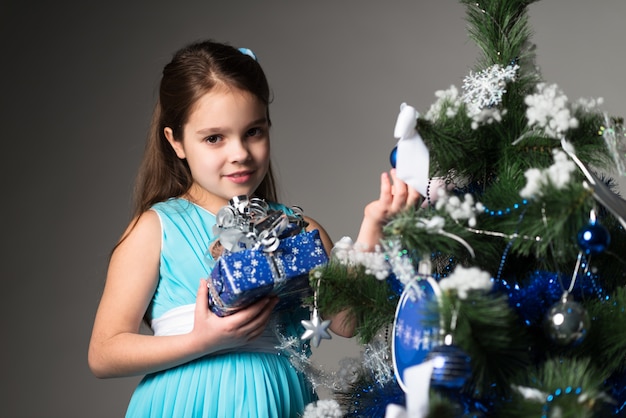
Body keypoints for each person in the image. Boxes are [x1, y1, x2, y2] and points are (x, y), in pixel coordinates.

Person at [88, 39, 419, 417]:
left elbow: (346, 321)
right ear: (176, 141)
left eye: (253, 132)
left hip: (279, 402)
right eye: (214, 138)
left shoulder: (299, 230)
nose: (240, 153)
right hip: (185, 404)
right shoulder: (156, 229)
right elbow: (103, 353)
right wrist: (201, 340)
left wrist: (372, 229)